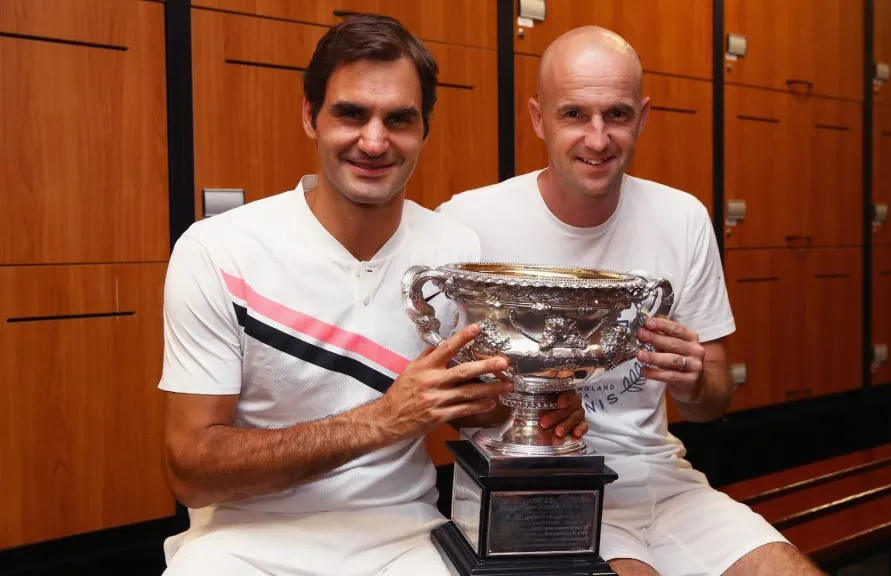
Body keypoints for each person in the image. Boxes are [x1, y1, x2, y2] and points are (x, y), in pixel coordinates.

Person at [157, 14, 585, 576]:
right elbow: (190, 470)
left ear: (424, 129)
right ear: (310, 116)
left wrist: (534, 407)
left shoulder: (453, 253)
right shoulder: (219, 250)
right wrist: (383, 420)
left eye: (400, 119)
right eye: (351, 114)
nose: (375, 141)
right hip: (242, 545)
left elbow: (475, 406)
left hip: (405, 539)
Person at [437, 26, 825, 576]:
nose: (598, 139)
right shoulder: (471, 223)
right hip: (533, 483)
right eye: (574, 115)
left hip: (659, 480)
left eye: (616, 115)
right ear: (537, 118)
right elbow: (447, 404)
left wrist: (696, 382)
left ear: (642, 117)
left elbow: (714, 400)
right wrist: (531, 403)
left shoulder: (683, 217)